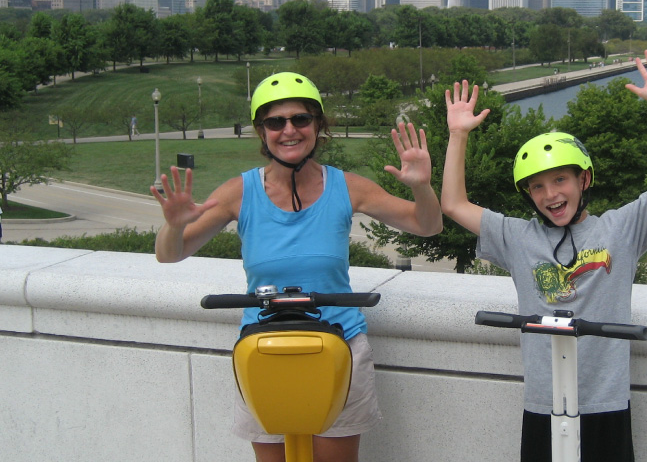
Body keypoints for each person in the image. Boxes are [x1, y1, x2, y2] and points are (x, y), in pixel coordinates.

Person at [151, 71, 443, 462]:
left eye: (301, 119)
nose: (289, 130)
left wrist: (421, 186)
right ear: (261, 132)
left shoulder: (347, 186)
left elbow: (427, 225)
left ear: (318, 126)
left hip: (338, 341)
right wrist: (173, 224)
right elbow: (171, 253)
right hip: (263, 346)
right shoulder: (239, 192)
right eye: (275, 122)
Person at [441, 51, 647, 462]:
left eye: (560, 179)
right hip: (544, 400)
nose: (550, 195)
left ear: (585, 179)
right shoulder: (517, 237)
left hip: (605, 400)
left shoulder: (620, 228)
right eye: (537, 186)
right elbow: (453, 204)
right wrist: (458, 135)